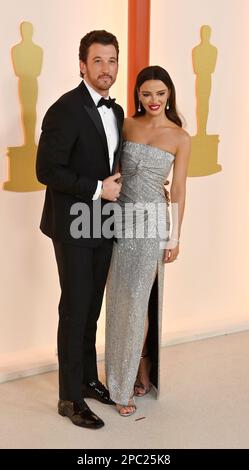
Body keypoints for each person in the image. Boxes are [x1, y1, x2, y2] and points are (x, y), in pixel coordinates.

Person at [36, 30, 124, 429]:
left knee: (91, 306)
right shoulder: (64, 109)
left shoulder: (116, 111)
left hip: (103, 221)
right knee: (74, 308)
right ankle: (69, 398)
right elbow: (46, 170)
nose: (106, 69)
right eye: (98, 61)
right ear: (82, 65)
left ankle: (88, 379)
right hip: (72, 222)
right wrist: (96, 189)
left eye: (112, 60)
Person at [105, 65, 191, 416]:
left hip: (153, 224)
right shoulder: (126, 124)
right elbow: (109, 164)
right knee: (118, 302)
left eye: (160, 93)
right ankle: (130, 373)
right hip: (118, 219)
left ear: (169, 93)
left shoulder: (180, 137)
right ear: (137, 96)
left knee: (140, 301)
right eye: (146, 94)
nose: (153, 100)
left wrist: (175, 237)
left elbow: (180, 190)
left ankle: (125, 385)